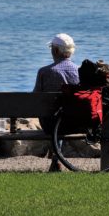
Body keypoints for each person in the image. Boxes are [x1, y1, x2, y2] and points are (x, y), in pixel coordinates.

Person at [34, 33, 79, 171]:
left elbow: (34, 98)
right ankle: (56, 159)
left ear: (56, 51)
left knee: (53, 116)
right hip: (75, 121)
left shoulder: (45, 72)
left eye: (51, 48)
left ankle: (56, 159)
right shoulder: (79, 71)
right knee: (62, 113)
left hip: (50, 123)